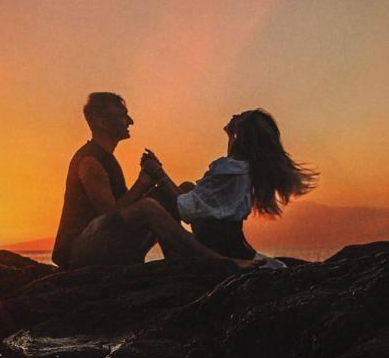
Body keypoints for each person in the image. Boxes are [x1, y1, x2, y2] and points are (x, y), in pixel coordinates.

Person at [51, 92, 255, 270]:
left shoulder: (106, 158)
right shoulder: (90, 161)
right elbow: (111, 216)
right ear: (102, 122)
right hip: (77, 251)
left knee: (178, 191)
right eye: (123, 115)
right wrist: (143, 183)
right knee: (148, 207)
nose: (130, 121)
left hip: (105, 240)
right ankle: (215, 259)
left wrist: (150, 180)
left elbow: (119, 216)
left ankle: (177, 260)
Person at [149, 109, 317, 264]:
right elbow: (230, 165)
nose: (235, 116)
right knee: (187, 187)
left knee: (158, 200)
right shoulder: (244, 168)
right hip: (234, 247)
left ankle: (172, 257)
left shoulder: (229, 170)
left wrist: (158, 172)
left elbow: (184, 208)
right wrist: (231, 136)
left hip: (219, 252)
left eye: (240, 117)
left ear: (242, 136)